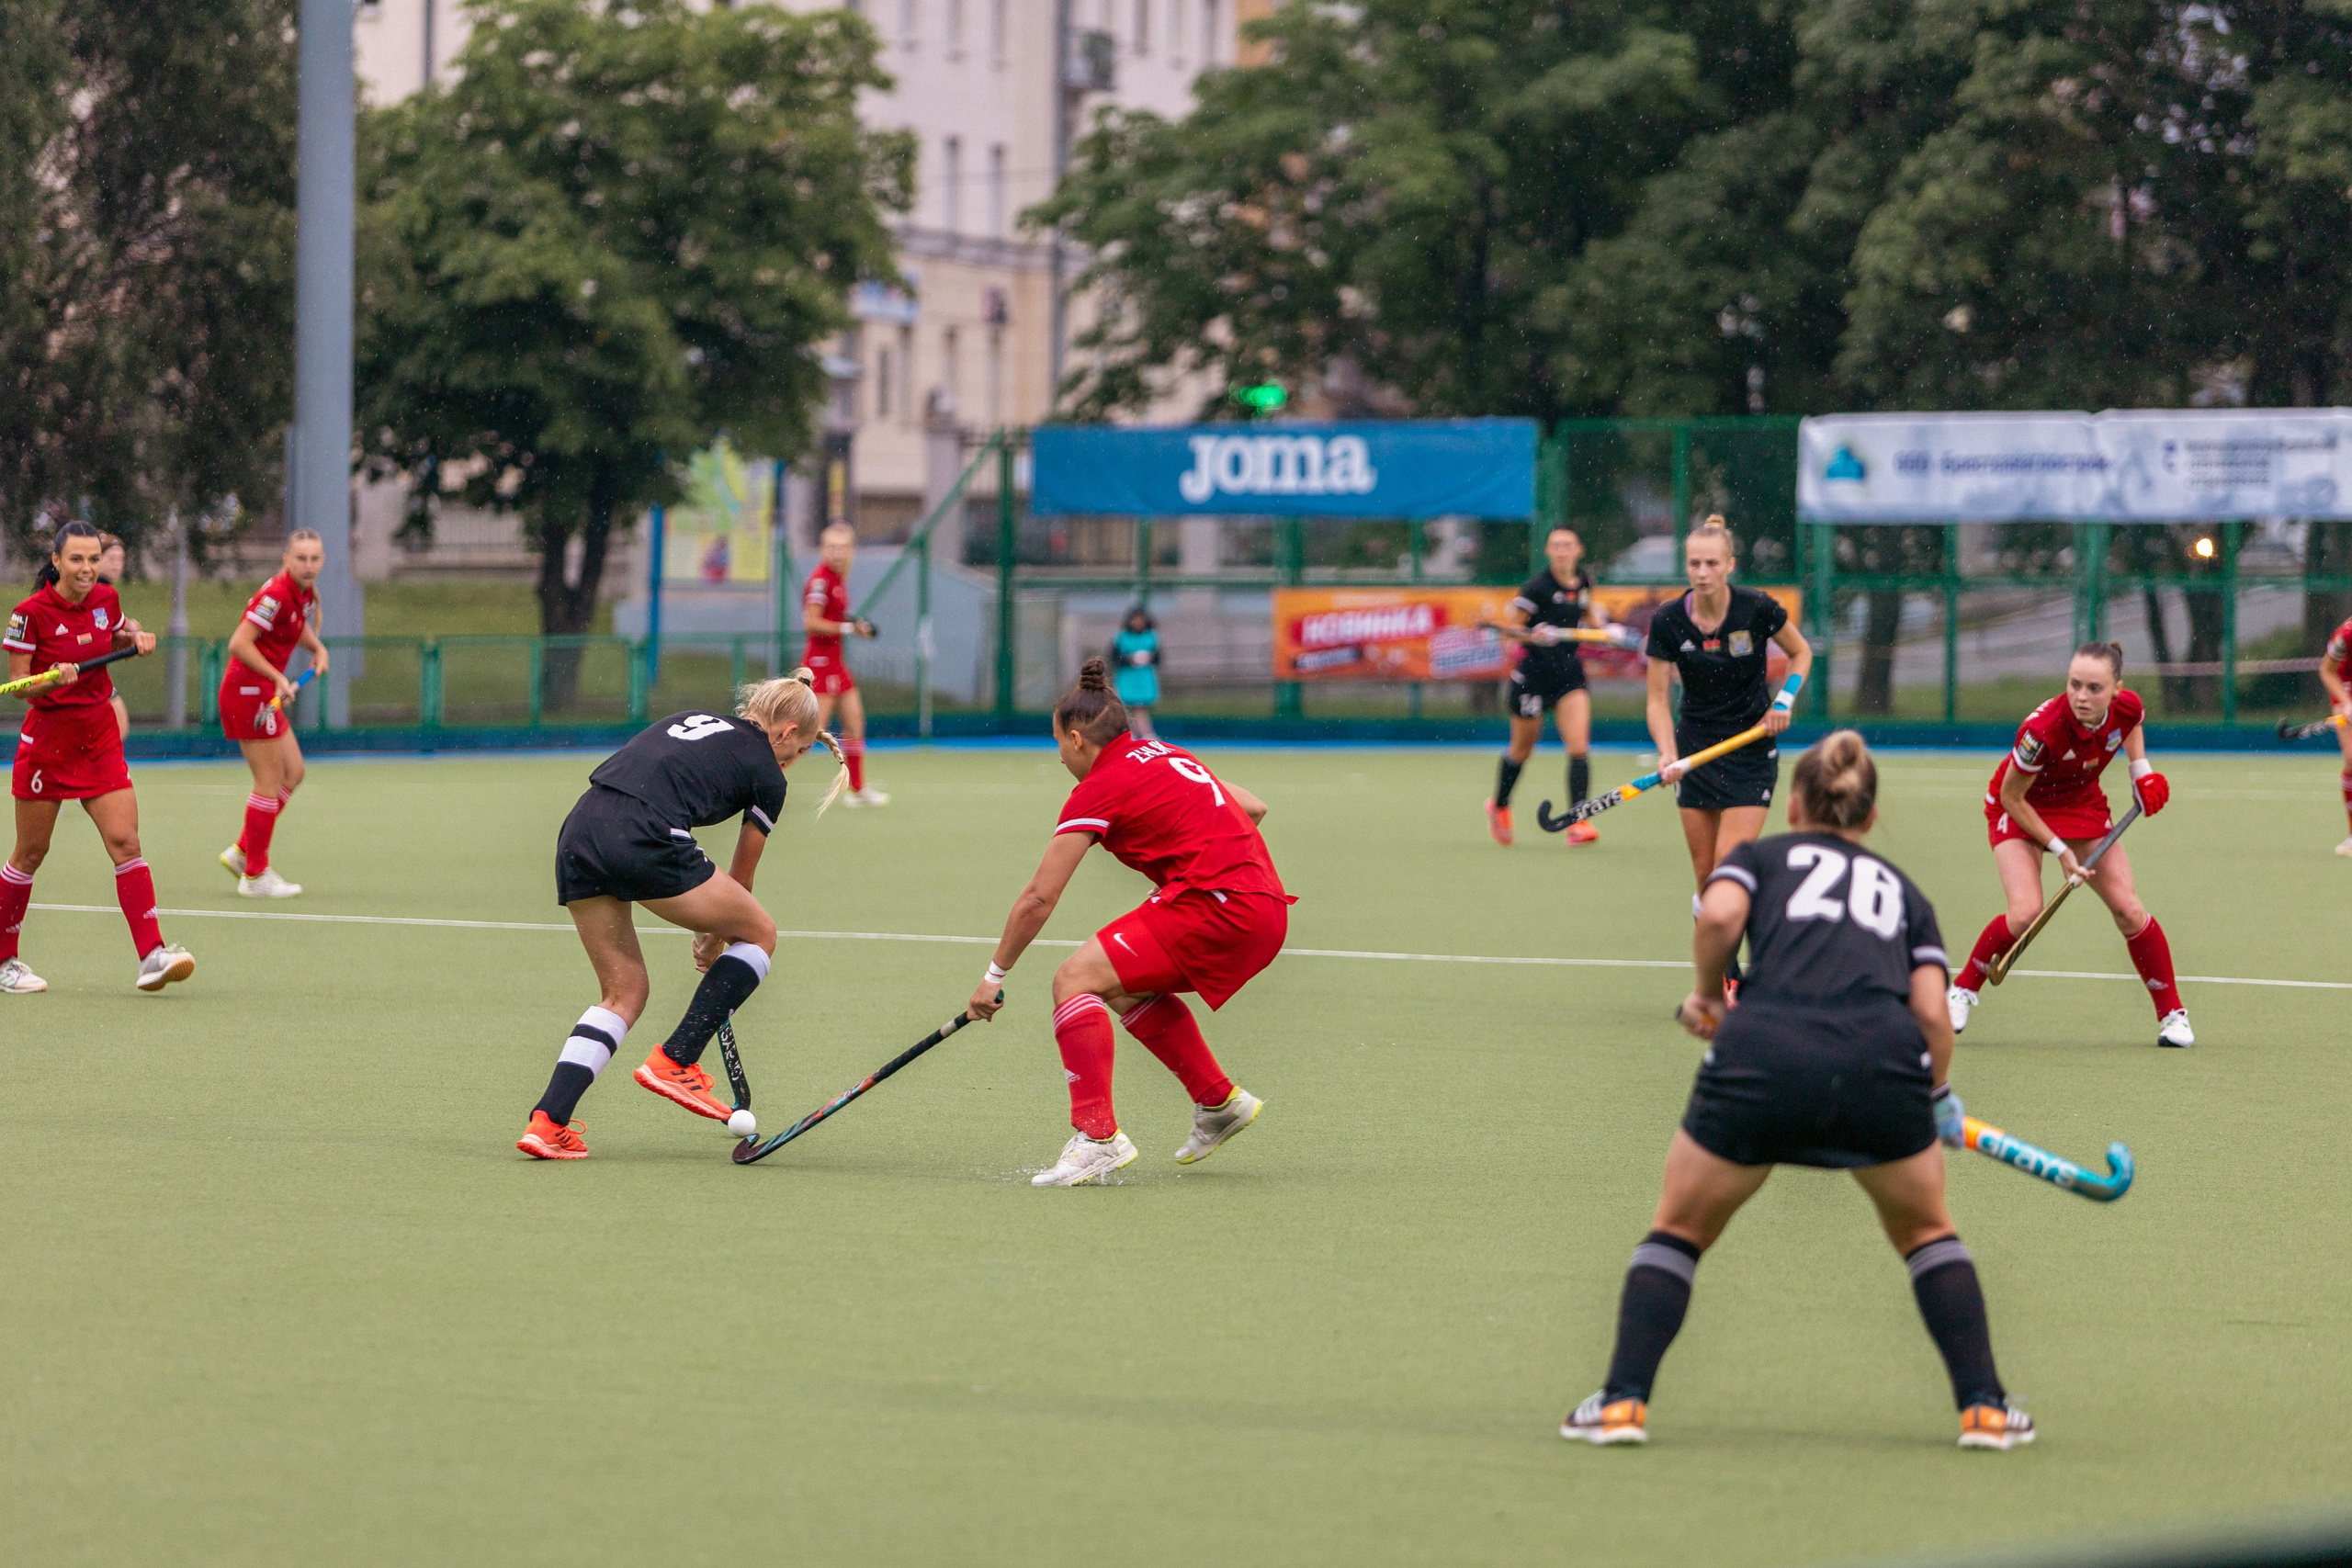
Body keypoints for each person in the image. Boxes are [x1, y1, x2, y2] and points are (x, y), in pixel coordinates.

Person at [1562, 732, 2032, 1451]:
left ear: (1792, 804)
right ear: (1869, 818)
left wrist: (1706, 999)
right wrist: (1935, 1096)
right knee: (1928, 1234)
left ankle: (1623, 1403)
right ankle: (1986, 1411)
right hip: (1879, 1066)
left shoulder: (1757, 856)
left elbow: (1718, 917)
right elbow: (1934, 1014)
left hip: (1763, 1056)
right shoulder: (1905, 893)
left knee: (1679, 1232)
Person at [966, 659, 1291, 1188]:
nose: (1061, 758)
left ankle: (1097, 1138)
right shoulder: (1168, 754)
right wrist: (1180, 871)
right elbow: (1252, 807)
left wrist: (994, 977)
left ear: (1076, 740)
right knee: (1115, 986)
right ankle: (1218, 1103)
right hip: (1265, 909)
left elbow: (1039, 898)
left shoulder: (1097, 787)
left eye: (1058, 746)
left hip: (1219, 907)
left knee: (1073, 979)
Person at [517, 671, 848, 1159]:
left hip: (582, 832)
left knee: (623, 991)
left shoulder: (692, 719)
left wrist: (710, 928)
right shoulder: (767, 773)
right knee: (759, 933)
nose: (791, 764)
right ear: (787, 734)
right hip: (642, 836)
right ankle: (677, 1060)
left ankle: (548, 1122)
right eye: (798, 754)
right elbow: (741, 882)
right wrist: (714, 937)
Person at [1946, 642, 2188, 1046]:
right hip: (2021, 806)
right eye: (2075, 685)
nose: (2081, 697)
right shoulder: (2042, 732)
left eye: (2094, 688)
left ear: (2115, 689)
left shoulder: (2126, 706)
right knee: (2025, 911)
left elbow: (2133, 724)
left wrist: (2140, 771)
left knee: (2129, 909)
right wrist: (2061, 850)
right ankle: (1963, 990)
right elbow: (2012, 798)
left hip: (2081, 805)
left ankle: (2173, 1016)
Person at [2, 521, 195, 996]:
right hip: (48, 742)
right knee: (30, 853)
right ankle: (4, 961)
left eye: (93, 559)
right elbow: (21, 684)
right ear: (56, 561)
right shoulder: (29, 614)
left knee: (126, 841)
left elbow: (114, 641)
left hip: (99, 737)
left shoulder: (107, 601)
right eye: (77, 559)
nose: (87, 568)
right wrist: (52, 677)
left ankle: (152, 954)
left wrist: (136, 642)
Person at [1644, 517, 1813, 989]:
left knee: (1727, 868)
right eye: (1694, 563)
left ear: (1729, 565)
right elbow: (1657, 701)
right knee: (1705, 874)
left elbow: (1801, 655)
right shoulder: (1668, 621)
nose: (1702, 572)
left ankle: (1730, 978)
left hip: (1751, 748)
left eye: (1712, 563)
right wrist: (1666, 754)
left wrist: (1784, 700)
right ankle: (1723, 970)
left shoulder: (1756, 608)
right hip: (1696, 748)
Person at [1487, 525, 1619, 846]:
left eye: (1567, 545)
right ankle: (1500, 805)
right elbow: (1511, 630)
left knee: (1578, 747)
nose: (1562, 551)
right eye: (1556, 546)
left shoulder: (1584, 581)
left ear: (1579, 549)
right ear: (1548, 551)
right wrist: (1535, 634)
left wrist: (1604, 629)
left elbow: (1585, 612)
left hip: (1568, 675)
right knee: (1522, 750)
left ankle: (1578, 820)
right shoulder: (1536, 588)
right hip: (1533, 676)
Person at [215, 531, 329, 898]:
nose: (308, 565)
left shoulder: (303, 595)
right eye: (301, 559)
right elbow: (239, 642)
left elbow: (296, 627)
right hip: (248, 692)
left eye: (314, 558)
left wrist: (317, 647)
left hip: (263, 692)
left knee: (293, 772)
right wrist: (279, 677)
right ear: (286, 560)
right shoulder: (276, 594)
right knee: (269, 780)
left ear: (322, 560)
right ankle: (256, 875)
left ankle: (243, 851)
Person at [802, 522, 886, 807]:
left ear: (851, 550)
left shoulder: (838, 580)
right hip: (820, 662)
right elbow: (811, 623)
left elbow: (834, 617)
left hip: (836, 663)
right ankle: (764, 778)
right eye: (832, 547)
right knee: (810, 731)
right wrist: (848, 629)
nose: (837, 553)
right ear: (823, 549)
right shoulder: (821, 581)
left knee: (854, 723)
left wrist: (853, 624)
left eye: (843, 548)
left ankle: (858, 789)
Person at [2322, 614, 2352, 856]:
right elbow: (2327, 670)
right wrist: (2346, 703)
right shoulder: (2345, 635)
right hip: (2345, 686)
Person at [96, 534, 130, 740]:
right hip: (80, 675)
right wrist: (128, 631)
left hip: (94, 675)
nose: (117, 565)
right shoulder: (96, 590)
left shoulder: (107, 592)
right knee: (118, 721)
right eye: (111, 559)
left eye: (121, 559)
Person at [1110, 605, 1161, 740]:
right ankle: (1137, 733)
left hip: (1143, 677)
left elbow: (1159, 658)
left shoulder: (1152, 636)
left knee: (1140, 707)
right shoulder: (1121, 637)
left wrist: (1148, 658)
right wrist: (1129, 659)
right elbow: (1114, 658)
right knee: (1127, 707)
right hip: (1127, 677)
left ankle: (1143, 733)